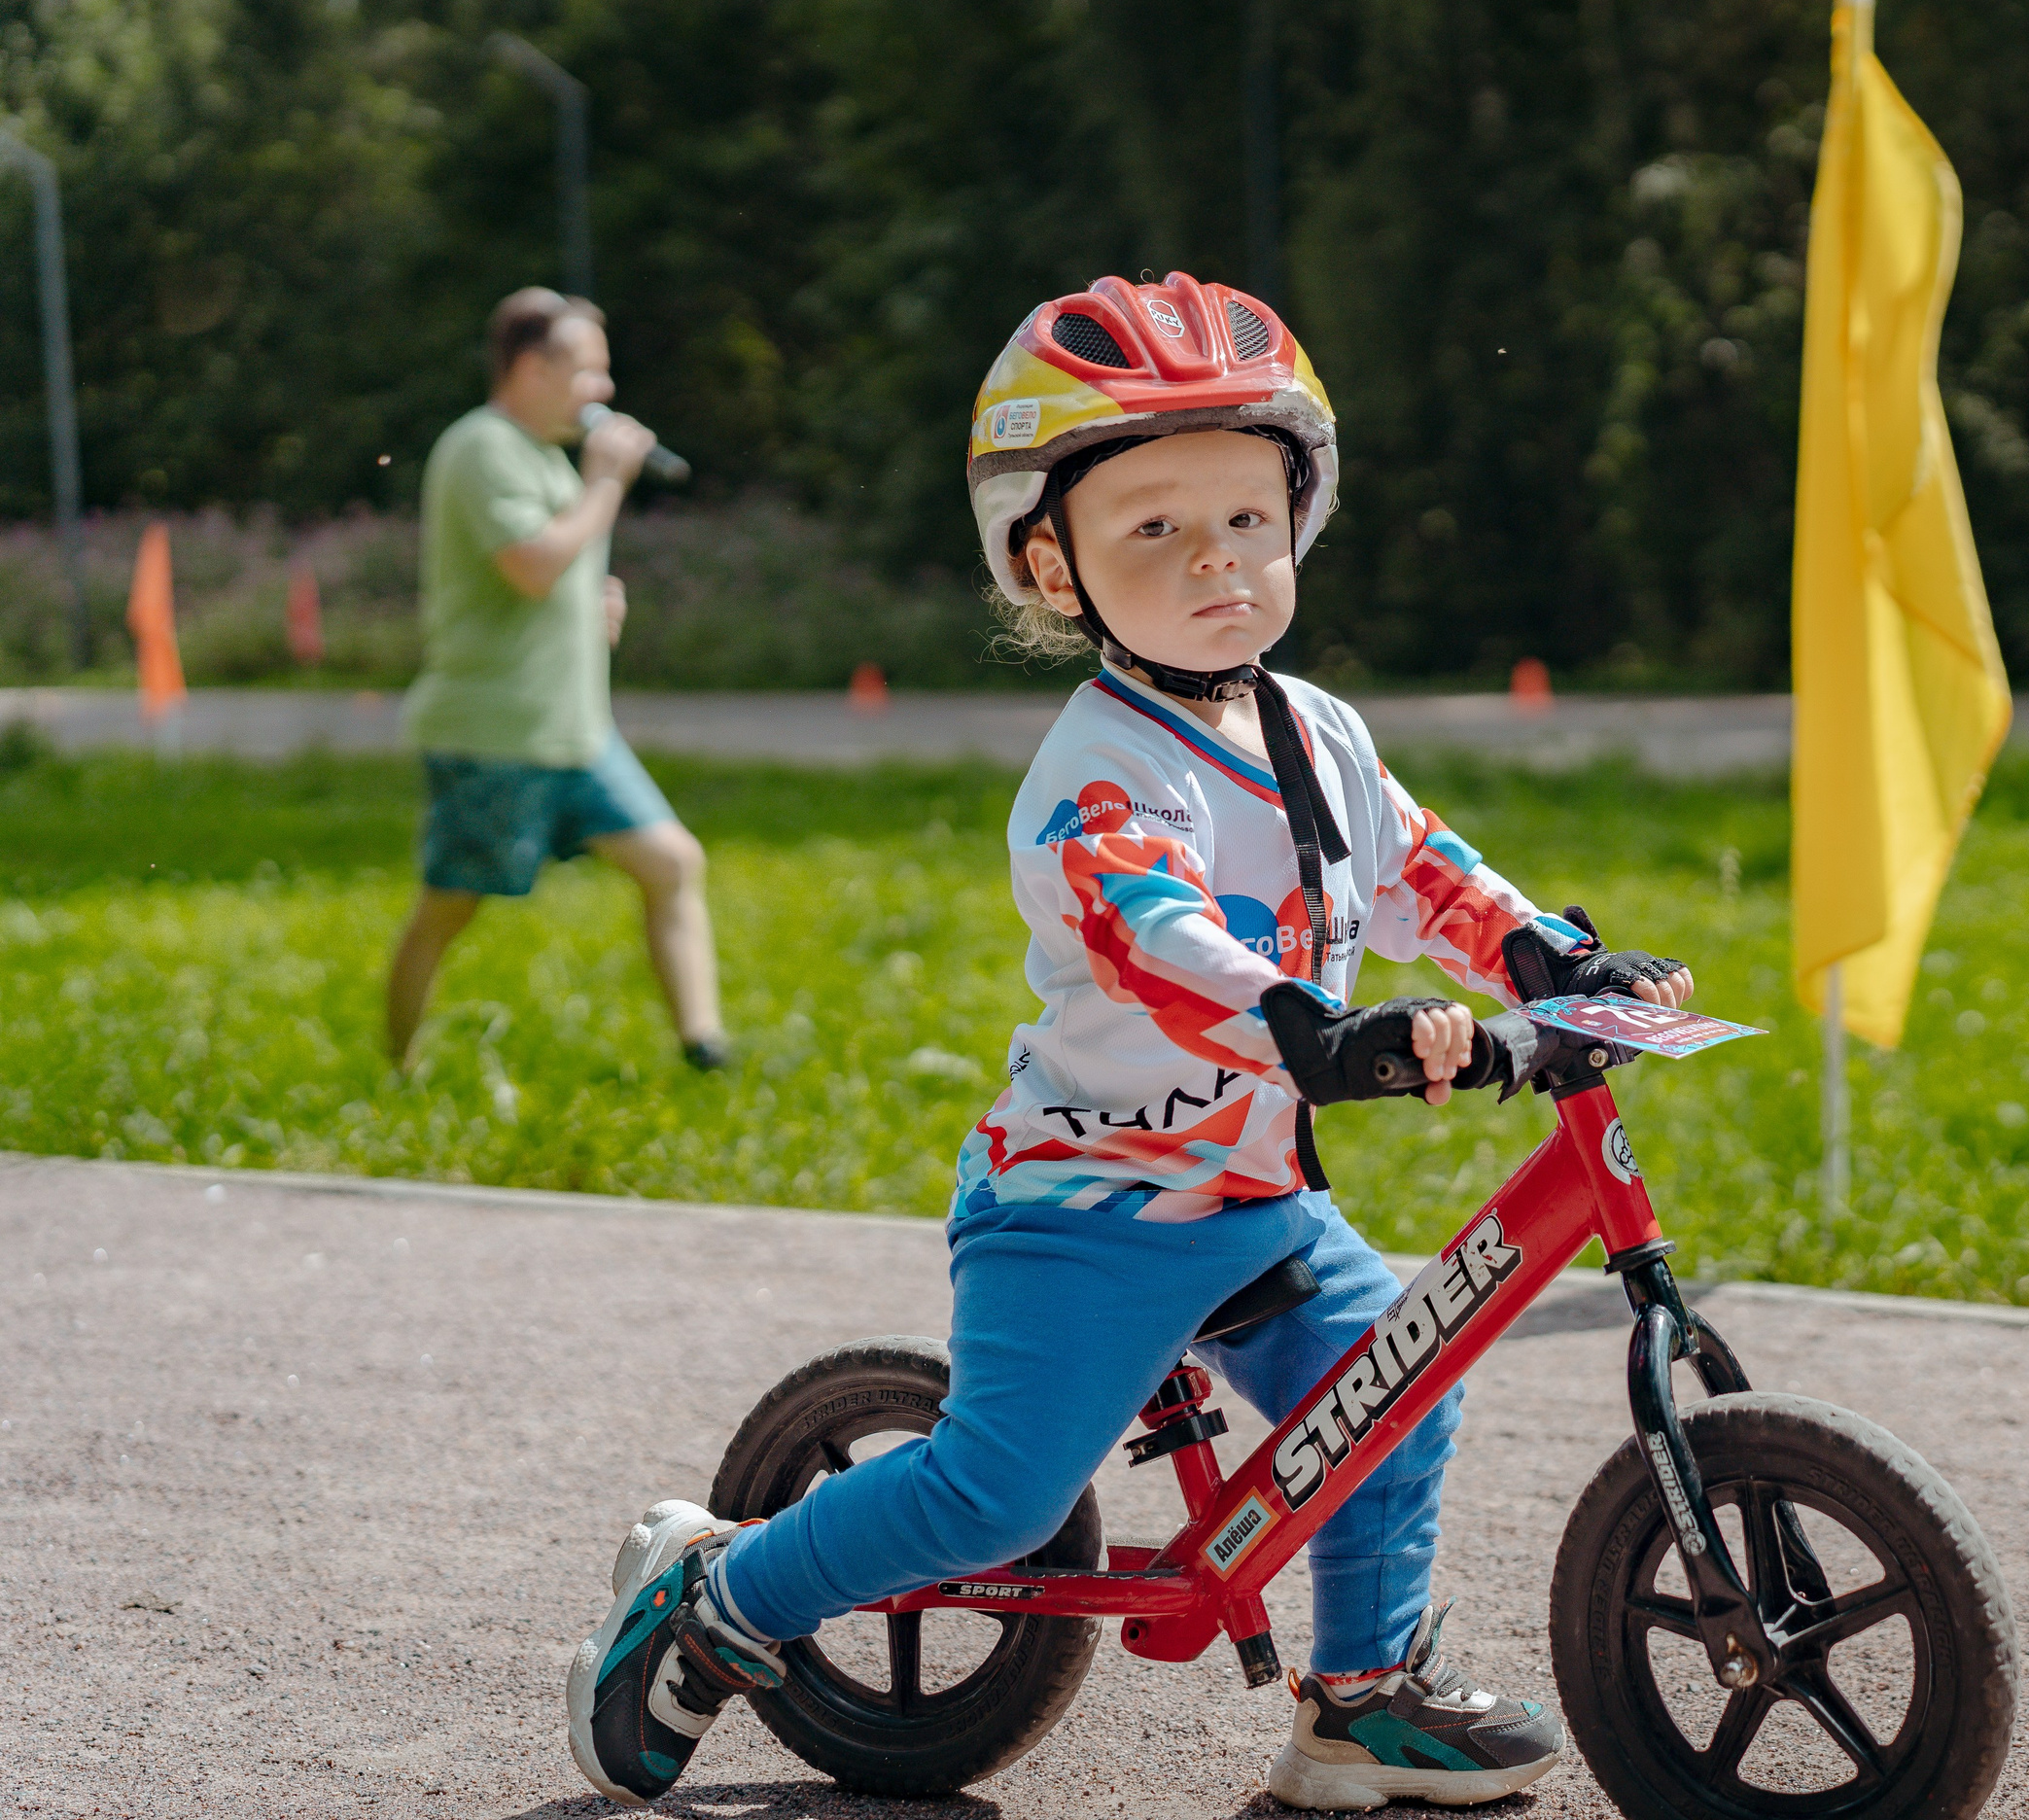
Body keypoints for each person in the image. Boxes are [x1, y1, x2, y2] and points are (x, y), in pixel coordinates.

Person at [566, 275, 1695, 1810]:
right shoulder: (1098, 772)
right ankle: (723, 1600)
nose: (1216, 563)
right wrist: (1314, 1027)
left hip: (1251, 1198)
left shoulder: (1316, 728)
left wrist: (1550, 955)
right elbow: (1162, 941)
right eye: (1152, 530)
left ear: (1300, 516)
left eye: (1246, 517)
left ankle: (1359, 1704)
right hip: (1084, 1209)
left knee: (1396, 1384)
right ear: (1052, 562)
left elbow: (1427, 870)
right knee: (996, 1499)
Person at [386, 288, 728, 1072]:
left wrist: (591, 609)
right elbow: (533, 565)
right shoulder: (481, 446)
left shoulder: (542, 455)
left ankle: (705, 1050)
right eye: (588, 371)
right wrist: (606, 481)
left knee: (673, 863)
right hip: (497, 734)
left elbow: (545, 571)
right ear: (531, 367)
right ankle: (398, 1069)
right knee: (447, 907)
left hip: (575, 732)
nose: (603, 391)